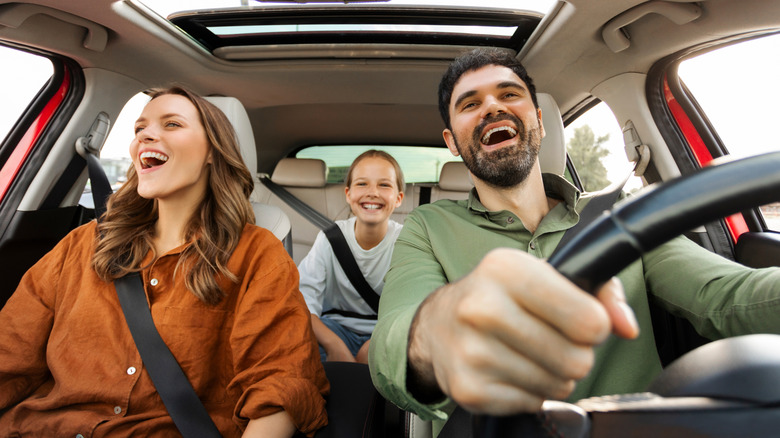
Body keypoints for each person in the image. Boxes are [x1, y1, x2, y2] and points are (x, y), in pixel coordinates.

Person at [368, 47, 780, 435]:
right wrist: (443, 326)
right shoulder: (427, 226)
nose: (493, 107)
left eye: (509, 94)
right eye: (470, 103)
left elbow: (728, 296)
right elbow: (392, 347)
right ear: (452, 142)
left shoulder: (624, 212)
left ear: (541, 122)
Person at [0, 87, 329, 437]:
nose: (146, 135)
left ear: (212, 153)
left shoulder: (256, 254)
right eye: (140, 128)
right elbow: (10, 354)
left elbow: (280, 384)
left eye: (172, 124)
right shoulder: (82, 245)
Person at [299, 150, 405, 364]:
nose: (373, 192)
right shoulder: (330, 239)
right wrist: (333, 344)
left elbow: (415, 310)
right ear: (348, 194)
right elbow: (302, 302)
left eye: (384, 185)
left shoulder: (407, 242)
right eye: (362, 184)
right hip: (334, 331)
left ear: (399, 198)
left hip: (388, 335)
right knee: (296, 338)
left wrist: (377, 343)